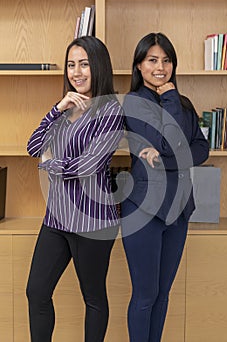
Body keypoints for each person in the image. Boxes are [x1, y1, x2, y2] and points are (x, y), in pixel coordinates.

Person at [26, 36, 124, 342]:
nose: (76, 72)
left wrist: (49, 164)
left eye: (84, 64)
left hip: (92, 223)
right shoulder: (66, 109)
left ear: (98, 67)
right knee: (37, 292)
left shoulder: (110, 113)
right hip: (56, 220)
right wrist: (57, 108)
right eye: (71, 64)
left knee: (93, 297)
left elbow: (87, 167)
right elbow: (33, 147)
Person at [121, 32, 209, 342]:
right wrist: (173, 151)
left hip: (178, 209)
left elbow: (201, 148)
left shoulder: (182, 103)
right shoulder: (134, 102)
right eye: (153, 60)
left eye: (167, 60)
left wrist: (168, 157)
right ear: (139, 66)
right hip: (144, 210)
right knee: (145, 295)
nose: (161, 67)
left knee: (163, 294)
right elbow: (167, 142)